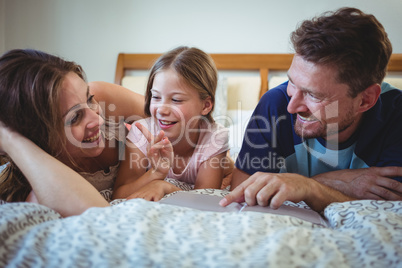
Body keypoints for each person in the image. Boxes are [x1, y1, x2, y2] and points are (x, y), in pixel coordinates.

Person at [221, 7, 402, 210]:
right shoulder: (275, 104)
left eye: (313, 94)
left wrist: (309, 186)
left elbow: (391, 210)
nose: (292, 107)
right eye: (291, 82)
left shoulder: (396, 116)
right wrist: (333, 182)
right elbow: (242, 192)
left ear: (365, 100)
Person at [0, 49, 145, 203]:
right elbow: (101, 214)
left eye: (90, 99)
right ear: (38, 137)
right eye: (75, 117)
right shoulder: (38, 186)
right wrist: (9, 137)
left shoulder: (103, 96)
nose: (98, 120)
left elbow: (167, 112)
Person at [113, 46, 233, 201]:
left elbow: (204, 201)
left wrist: (165, 186)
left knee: (230, 168)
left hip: (223, 167)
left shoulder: (214, 138)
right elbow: (118, 194)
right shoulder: (141, 132)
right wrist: (155, 174)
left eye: (176, 99)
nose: (162, 110)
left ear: (205, 106)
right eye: (156, 97)